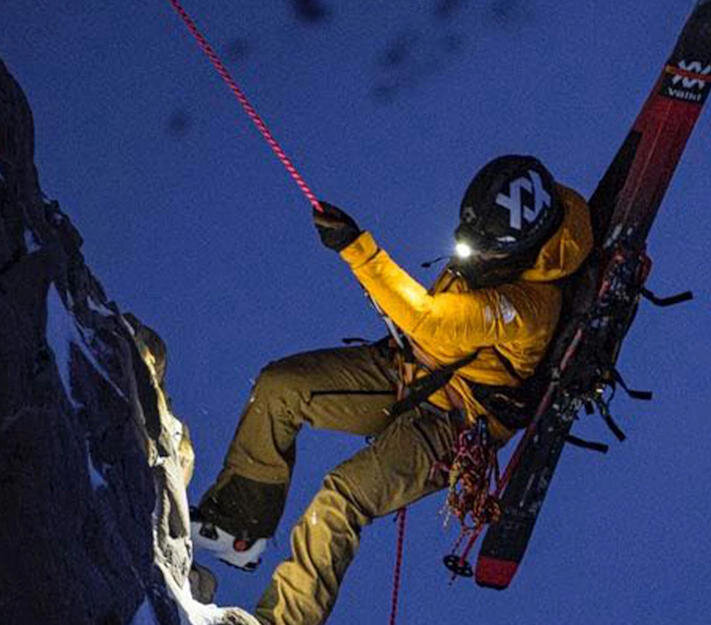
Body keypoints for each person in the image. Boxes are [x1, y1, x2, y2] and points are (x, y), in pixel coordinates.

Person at [190, 154, 593, 625]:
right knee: (282, 387)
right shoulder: (524, 233)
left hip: (454, 423)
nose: (474, 255)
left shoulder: (525, 308)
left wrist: (357, 248)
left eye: (486, 251)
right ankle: (237, 528)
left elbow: (430, 319)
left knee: (342, 499)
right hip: (415, 371)